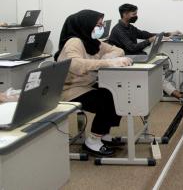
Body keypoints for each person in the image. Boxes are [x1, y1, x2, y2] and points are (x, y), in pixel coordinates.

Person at [55, 9, 133, 157]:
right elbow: (75, 64)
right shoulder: (74, 41)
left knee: (118, 91)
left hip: (86, 85)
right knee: (107, 99)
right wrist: (107, 63)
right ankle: (93, 141)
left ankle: (102, 134)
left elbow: (119, 50)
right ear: (86, 24)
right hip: (70, 89)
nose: (101, 27)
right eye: (98, 24)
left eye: (102, 24)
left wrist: (111, 56)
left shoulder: (93, 42)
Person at [109, 3, 183, 110]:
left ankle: (174, 94)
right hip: (127, 60)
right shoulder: (118, 30)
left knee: (162, 65)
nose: (136, 16)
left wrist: (168, 34)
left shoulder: (129, 27)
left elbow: (146, 34)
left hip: (136, 57)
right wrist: (149, 41)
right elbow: (132, 48)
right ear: (125, 14)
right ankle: (182, 98)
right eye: (133, 14)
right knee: (158, 75)